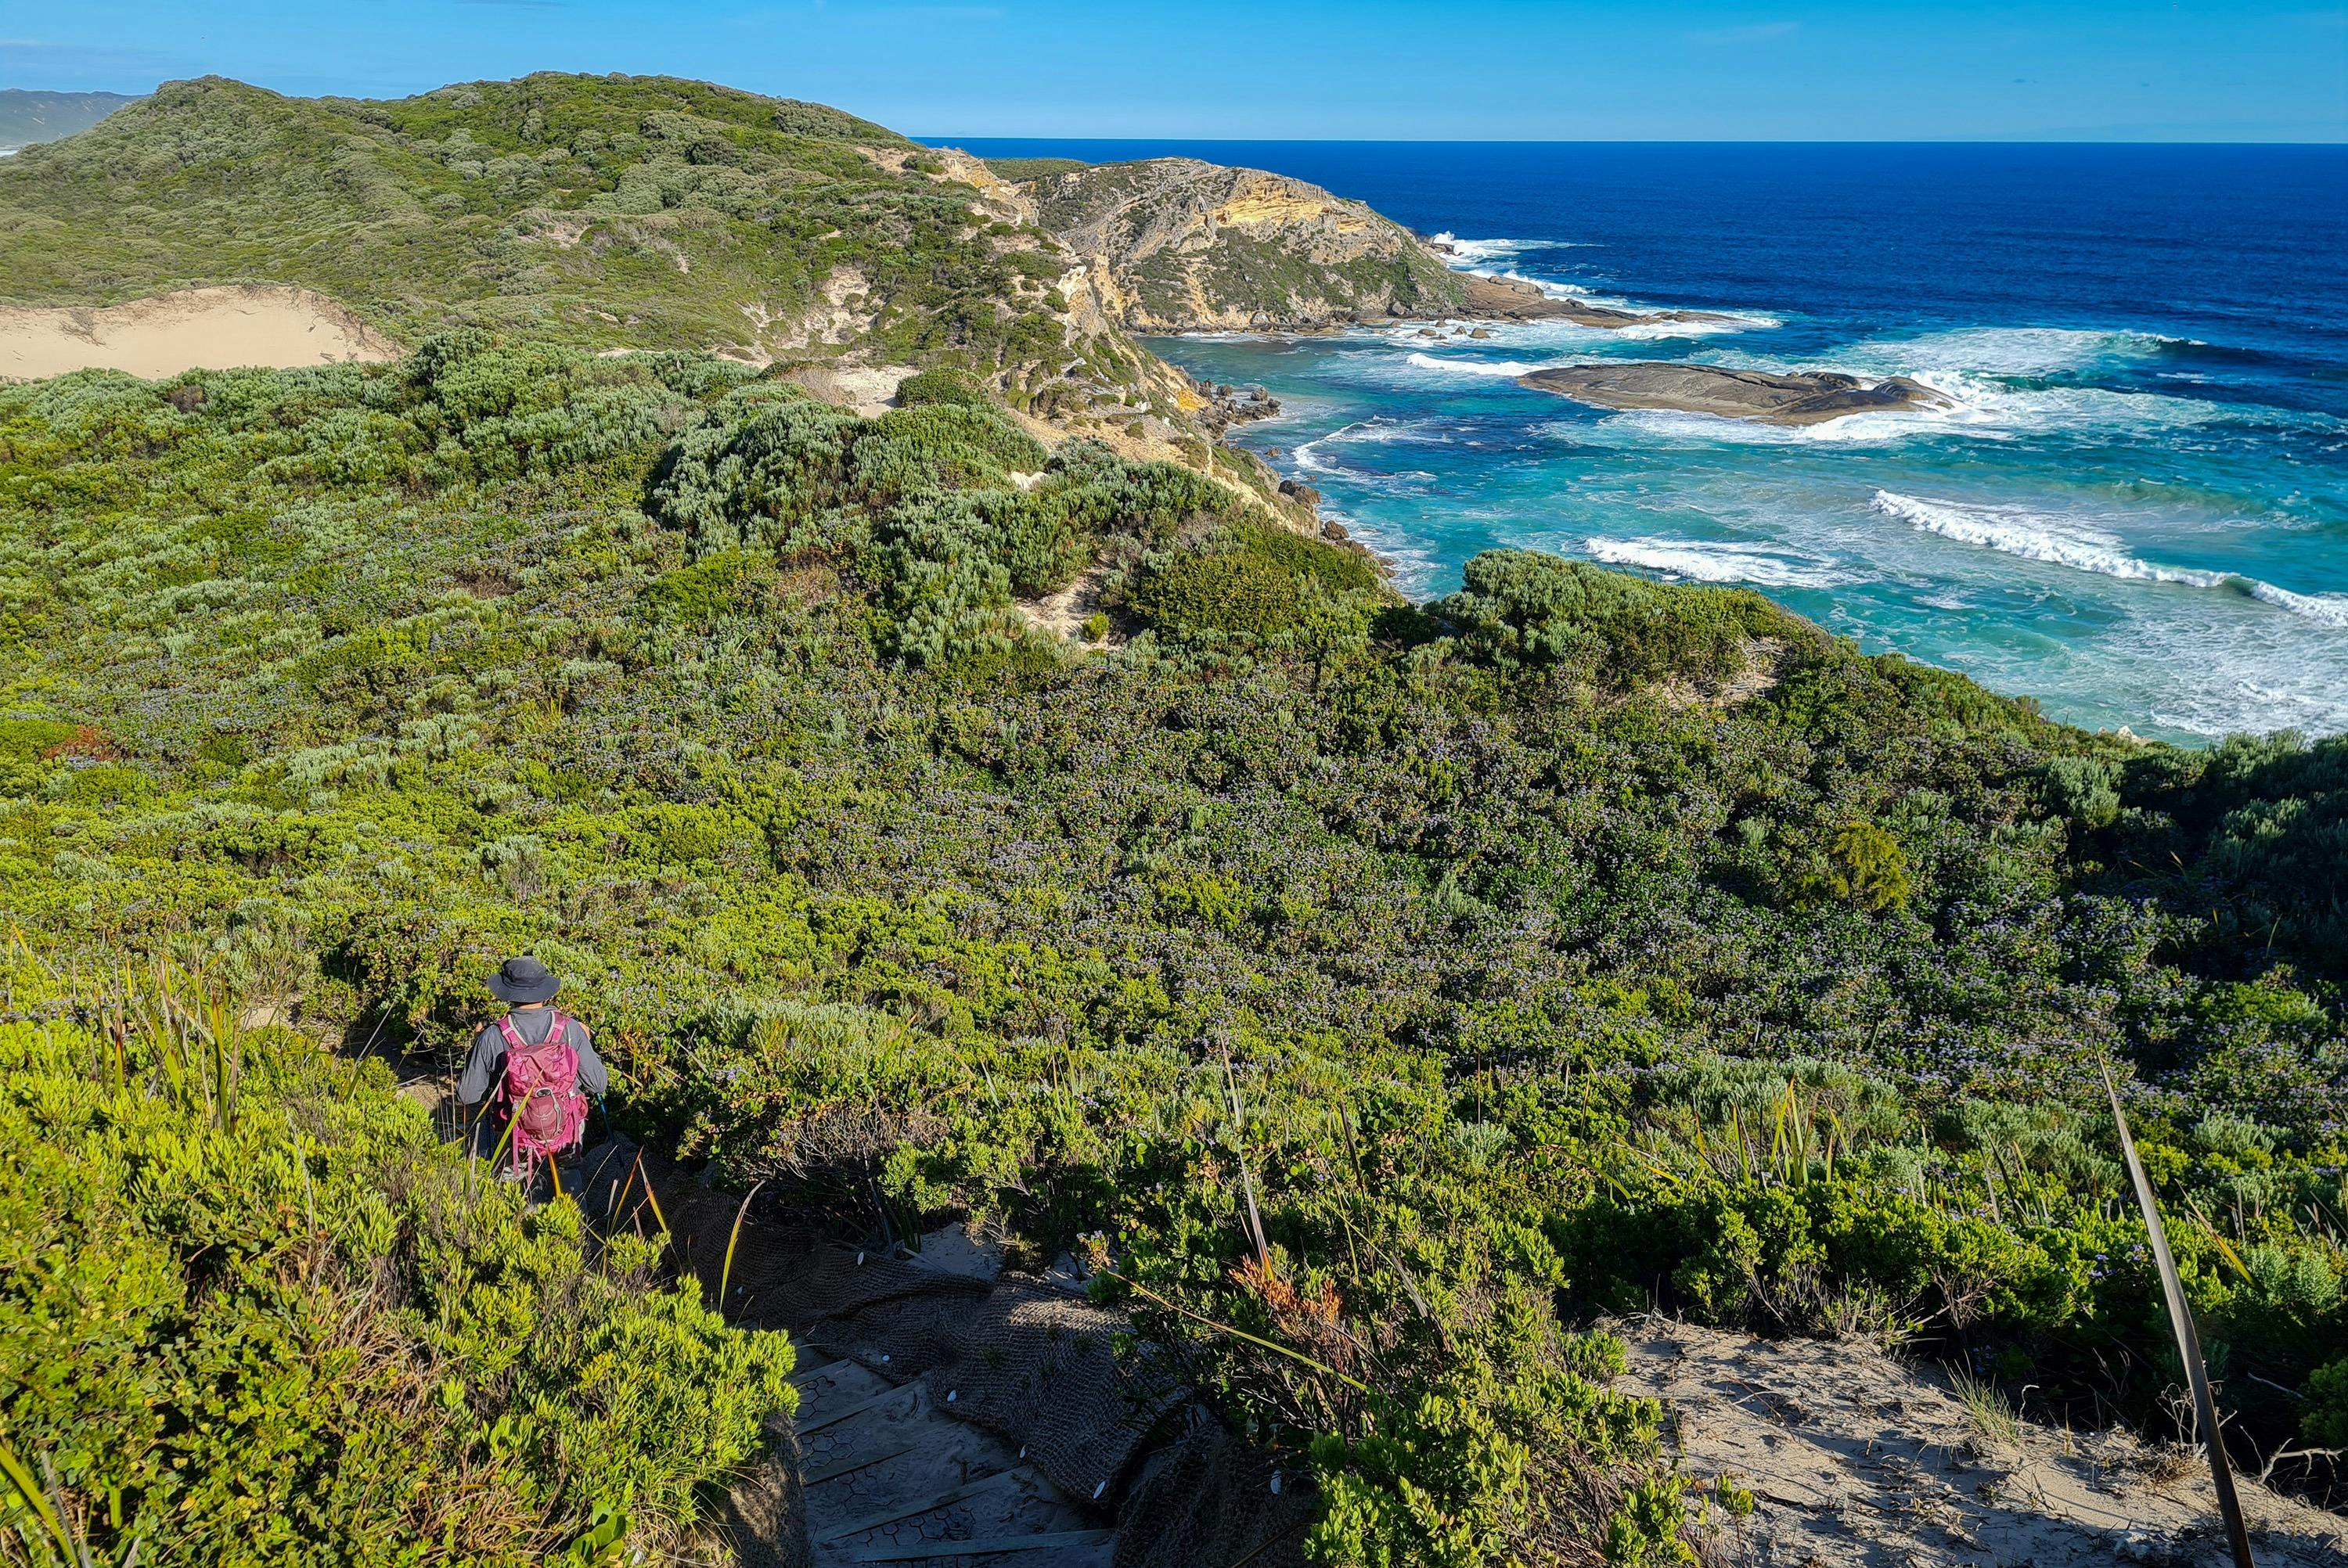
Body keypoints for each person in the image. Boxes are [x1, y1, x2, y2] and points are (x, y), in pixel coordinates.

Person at [457, 956, 609, 1186]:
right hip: (565, 1130)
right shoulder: (570, 1029)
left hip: (515, 1135)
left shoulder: (493, 1036)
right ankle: (573, 1205)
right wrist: (586, 1041)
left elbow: (468, 1095)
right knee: (568, 1181)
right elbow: (598, 1084)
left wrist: (477, 1044)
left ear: (507, 991)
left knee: (513, 1190)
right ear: (544, 989)